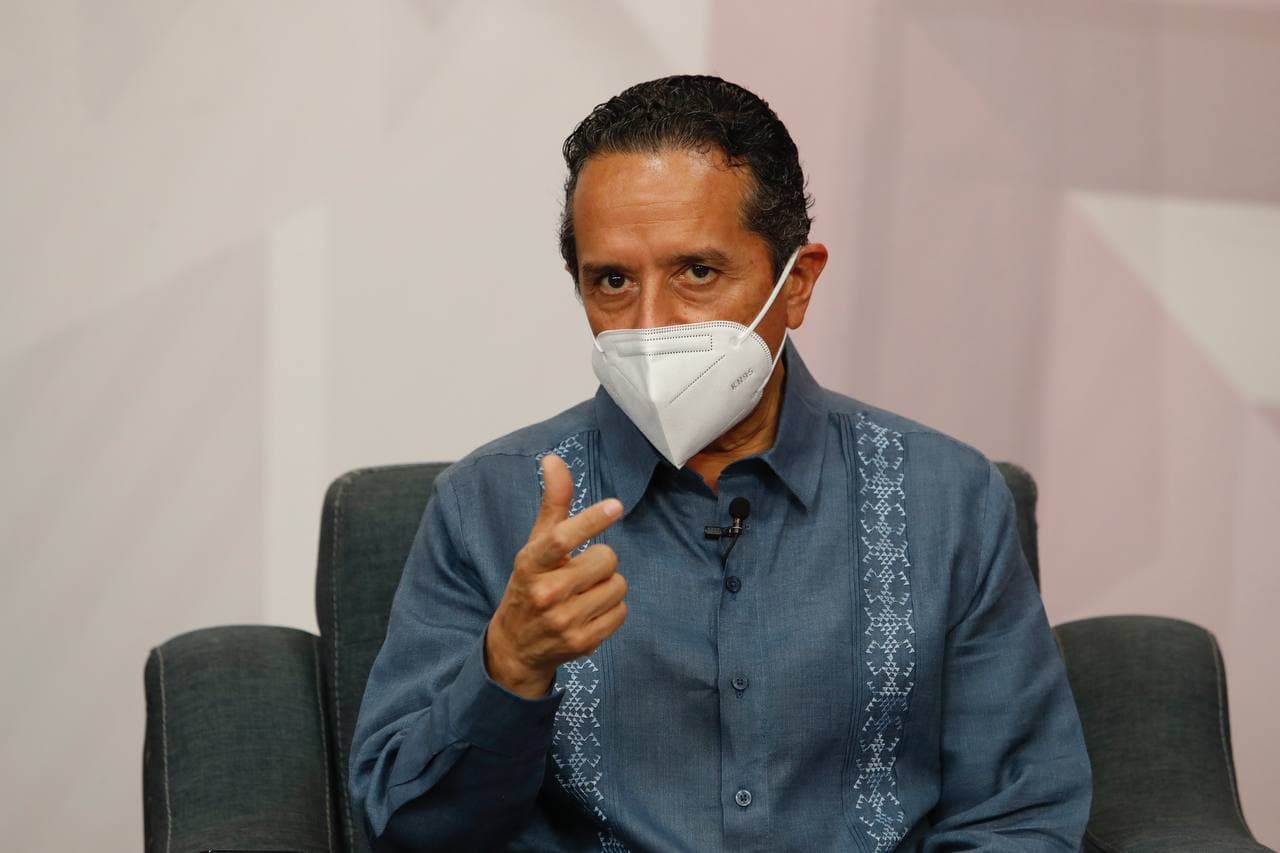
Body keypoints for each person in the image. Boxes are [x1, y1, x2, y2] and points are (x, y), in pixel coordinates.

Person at [349, 75, 1091, 852]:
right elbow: (404, 831)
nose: (651, 324)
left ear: (795, 283)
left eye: (697, 272)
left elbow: (1019, 816)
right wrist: (510, 665)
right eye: (612, 281)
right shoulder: (489, 504)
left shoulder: (946, 500)